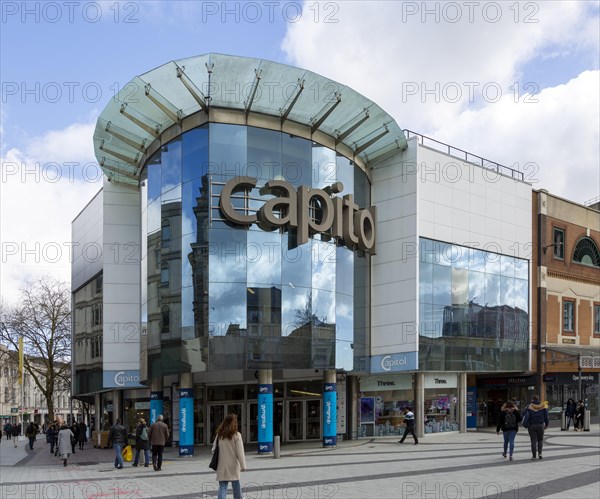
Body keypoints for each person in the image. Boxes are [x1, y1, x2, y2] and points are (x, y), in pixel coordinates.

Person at [212, 413, 247, 499]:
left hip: (222, 465)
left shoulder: (219, 435)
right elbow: (240, 452)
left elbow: (213, 449)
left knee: (222, 487)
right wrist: (243, 466)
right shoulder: (237, 435)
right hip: (233, 465)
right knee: (236, 486)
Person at [522, 395, 549, 460]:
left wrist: (526, 424)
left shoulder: (529, 406)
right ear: (538, 399)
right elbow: (546, 417)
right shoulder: (543, 406)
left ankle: (534, 456)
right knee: (540, 440)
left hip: (532, 426)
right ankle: (540, 453)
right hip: (540, 425)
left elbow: (523, 415)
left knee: (533, 440)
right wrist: (546, 424)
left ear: (532, 400)